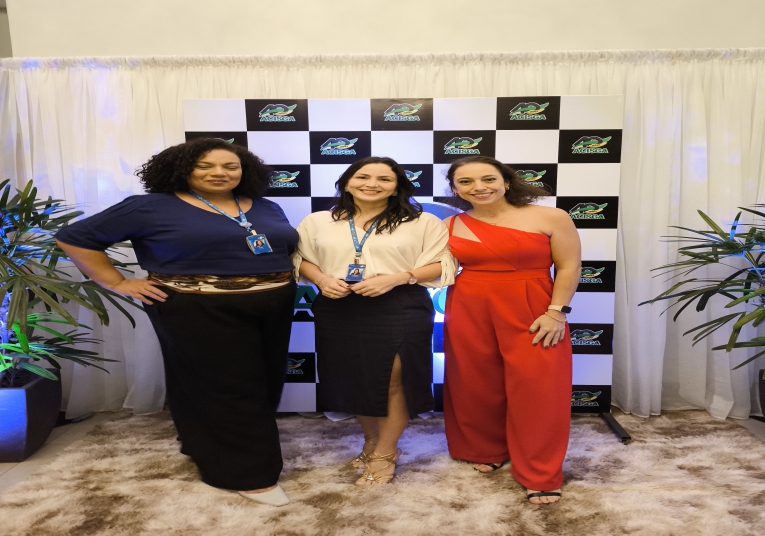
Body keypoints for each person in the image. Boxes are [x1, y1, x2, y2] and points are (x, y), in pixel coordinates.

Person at [55, 138, 298, 507]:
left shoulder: (264, 206)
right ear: (182, 169)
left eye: (230, 166)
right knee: (232, 388)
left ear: (244, 171)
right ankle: (248, 475)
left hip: (273, 304)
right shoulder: (150, 206)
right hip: (198, 308)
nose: (219, 173)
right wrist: (117, 282)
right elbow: (75, 238)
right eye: (205, 166)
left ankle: (204, 444)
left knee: (262, 382)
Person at [294, 157, 455, 486]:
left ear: (397, 186)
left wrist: (398, 277)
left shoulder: (422, 222)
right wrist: (322, 280)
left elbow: (444, 264)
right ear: (347, 182)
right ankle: (371, 441)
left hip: (400, 303)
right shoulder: (317, 221)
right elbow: (301, 258)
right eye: (363, 177)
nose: (372, 184)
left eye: (384, 178)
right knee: (355, 378)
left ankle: (386, 451)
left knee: (393, 380)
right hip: (339, 305)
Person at [442, 155, 581, 505]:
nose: (479, 187)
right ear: (455, 189)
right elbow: (434, 268)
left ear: (506, 181)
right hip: (469, 306)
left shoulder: (551, 217)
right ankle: (484, 448)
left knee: (540, 390)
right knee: (474, 382)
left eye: (488, 179)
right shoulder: (449, 224)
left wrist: (557, 312)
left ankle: (540, 473)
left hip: (534, 307)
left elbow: (569, 265)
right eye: (466, 182)